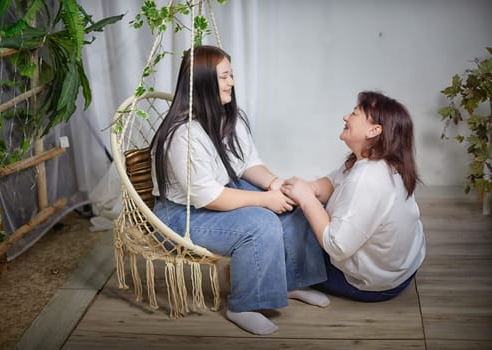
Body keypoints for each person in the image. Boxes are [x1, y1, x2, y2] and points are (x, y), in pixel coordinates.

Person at [150, 45, 329, 335]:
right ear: (204, 81)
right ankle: (243, 304)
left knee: (293, 201)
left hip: (218, 194)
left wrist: (275, 186)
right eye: (224, 76)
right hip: (180, 214)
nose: (232, 82)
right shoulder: (183, 135)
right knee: (259, 224)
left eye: (231, 75)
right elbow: (208, 197)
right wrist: (265, 201)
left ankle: (294, 281)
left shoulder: (225, 116)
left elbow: (247, 163)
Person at [281, 91, 426, 302]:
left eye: (354, 114)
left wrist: (306, 199)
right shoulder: (382, 160)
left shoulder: (368, 180)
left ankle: (294, 281)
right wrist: (309, 187)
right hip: (404, 270)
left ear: (374, 130)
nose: (346, 117)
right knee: (311, 206)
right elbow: (334, 180)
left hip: (375, 284)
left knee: (292, 220)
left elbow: (337, 247)